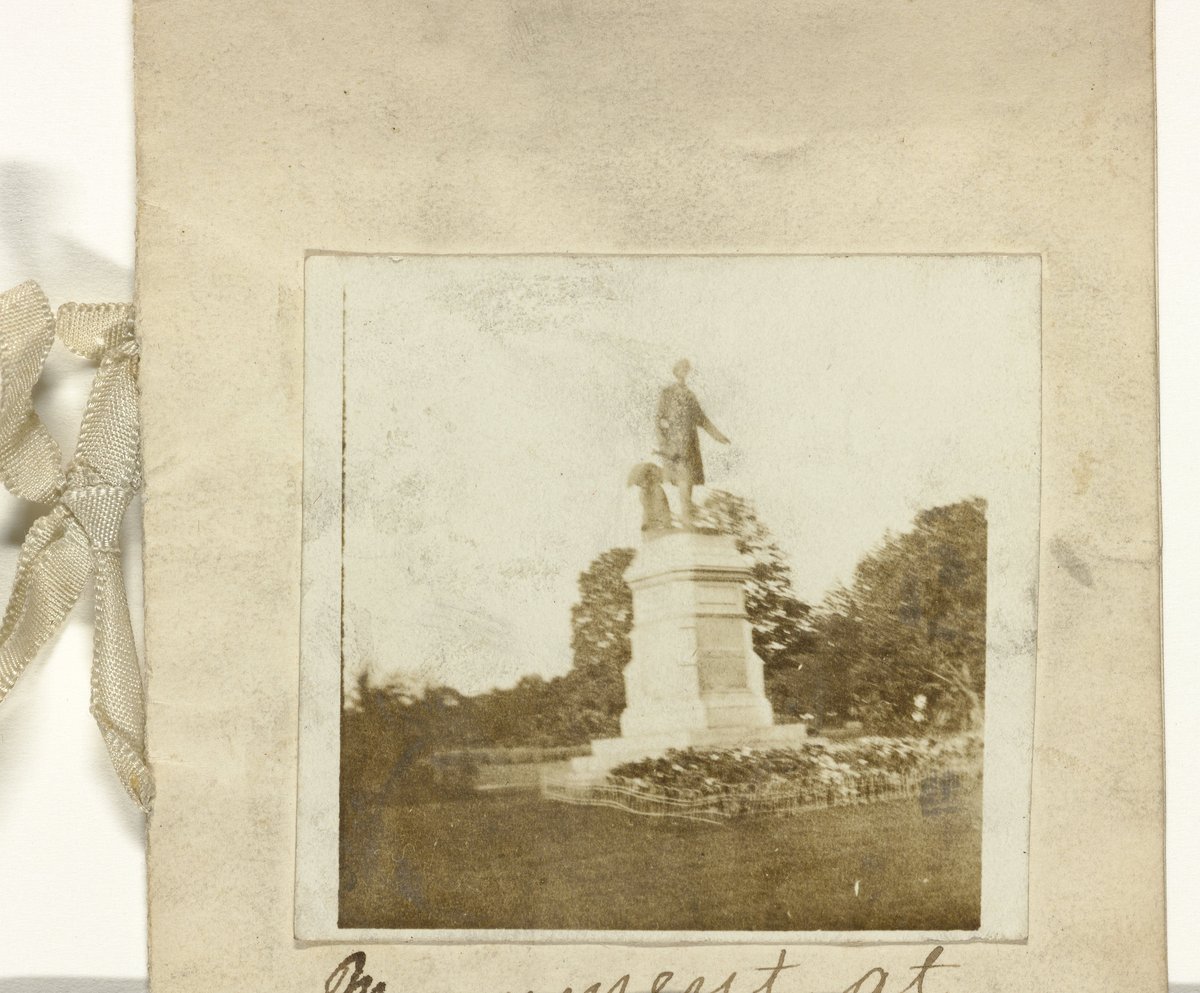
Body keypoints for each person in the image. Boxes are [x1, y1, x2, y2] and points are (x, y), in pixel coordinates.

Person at [655, 358, 730, 528]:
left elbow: (702, 419)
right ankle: (686, 517)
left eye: (686, 370)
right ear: (676, 371)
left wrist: (718, 435)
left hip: (690, 443)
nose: (684, 372)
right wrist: (664, 444)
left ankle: (686, 516)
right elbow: (659, 419)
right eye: (681, 369)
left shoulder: (690, 395)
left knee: (688, 481)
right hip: (675, 445)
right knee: (684, 479)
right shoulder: (667, 393)